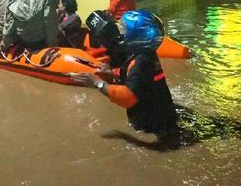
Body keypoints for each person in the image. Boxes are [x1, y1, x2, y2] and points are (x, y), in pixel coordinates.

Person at [71, 9, 178, 137]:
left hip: (153, 127)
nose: (121, 33)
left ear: (137, 35)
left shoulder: (140, 61)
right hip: (164, 120)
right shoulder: (145, 55)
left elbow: (128, 97)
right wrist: (112, 72)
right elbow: (139, 78)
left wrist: (97, 83)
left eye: (125, 29)